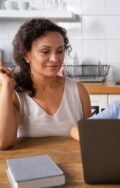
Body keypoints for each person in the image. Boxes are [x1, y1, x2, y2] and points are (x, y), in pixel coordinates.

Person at [0, 18, 91, 150]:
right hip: (29, 167)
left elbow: (92, 138)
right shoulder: (14, 94)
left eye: (59, 51)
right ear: (26, 55)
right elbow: (3, 143)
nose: (55, 59)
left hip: (74, 167)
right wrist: (7, 87)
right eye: (45, 51)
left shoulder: (78, 91)